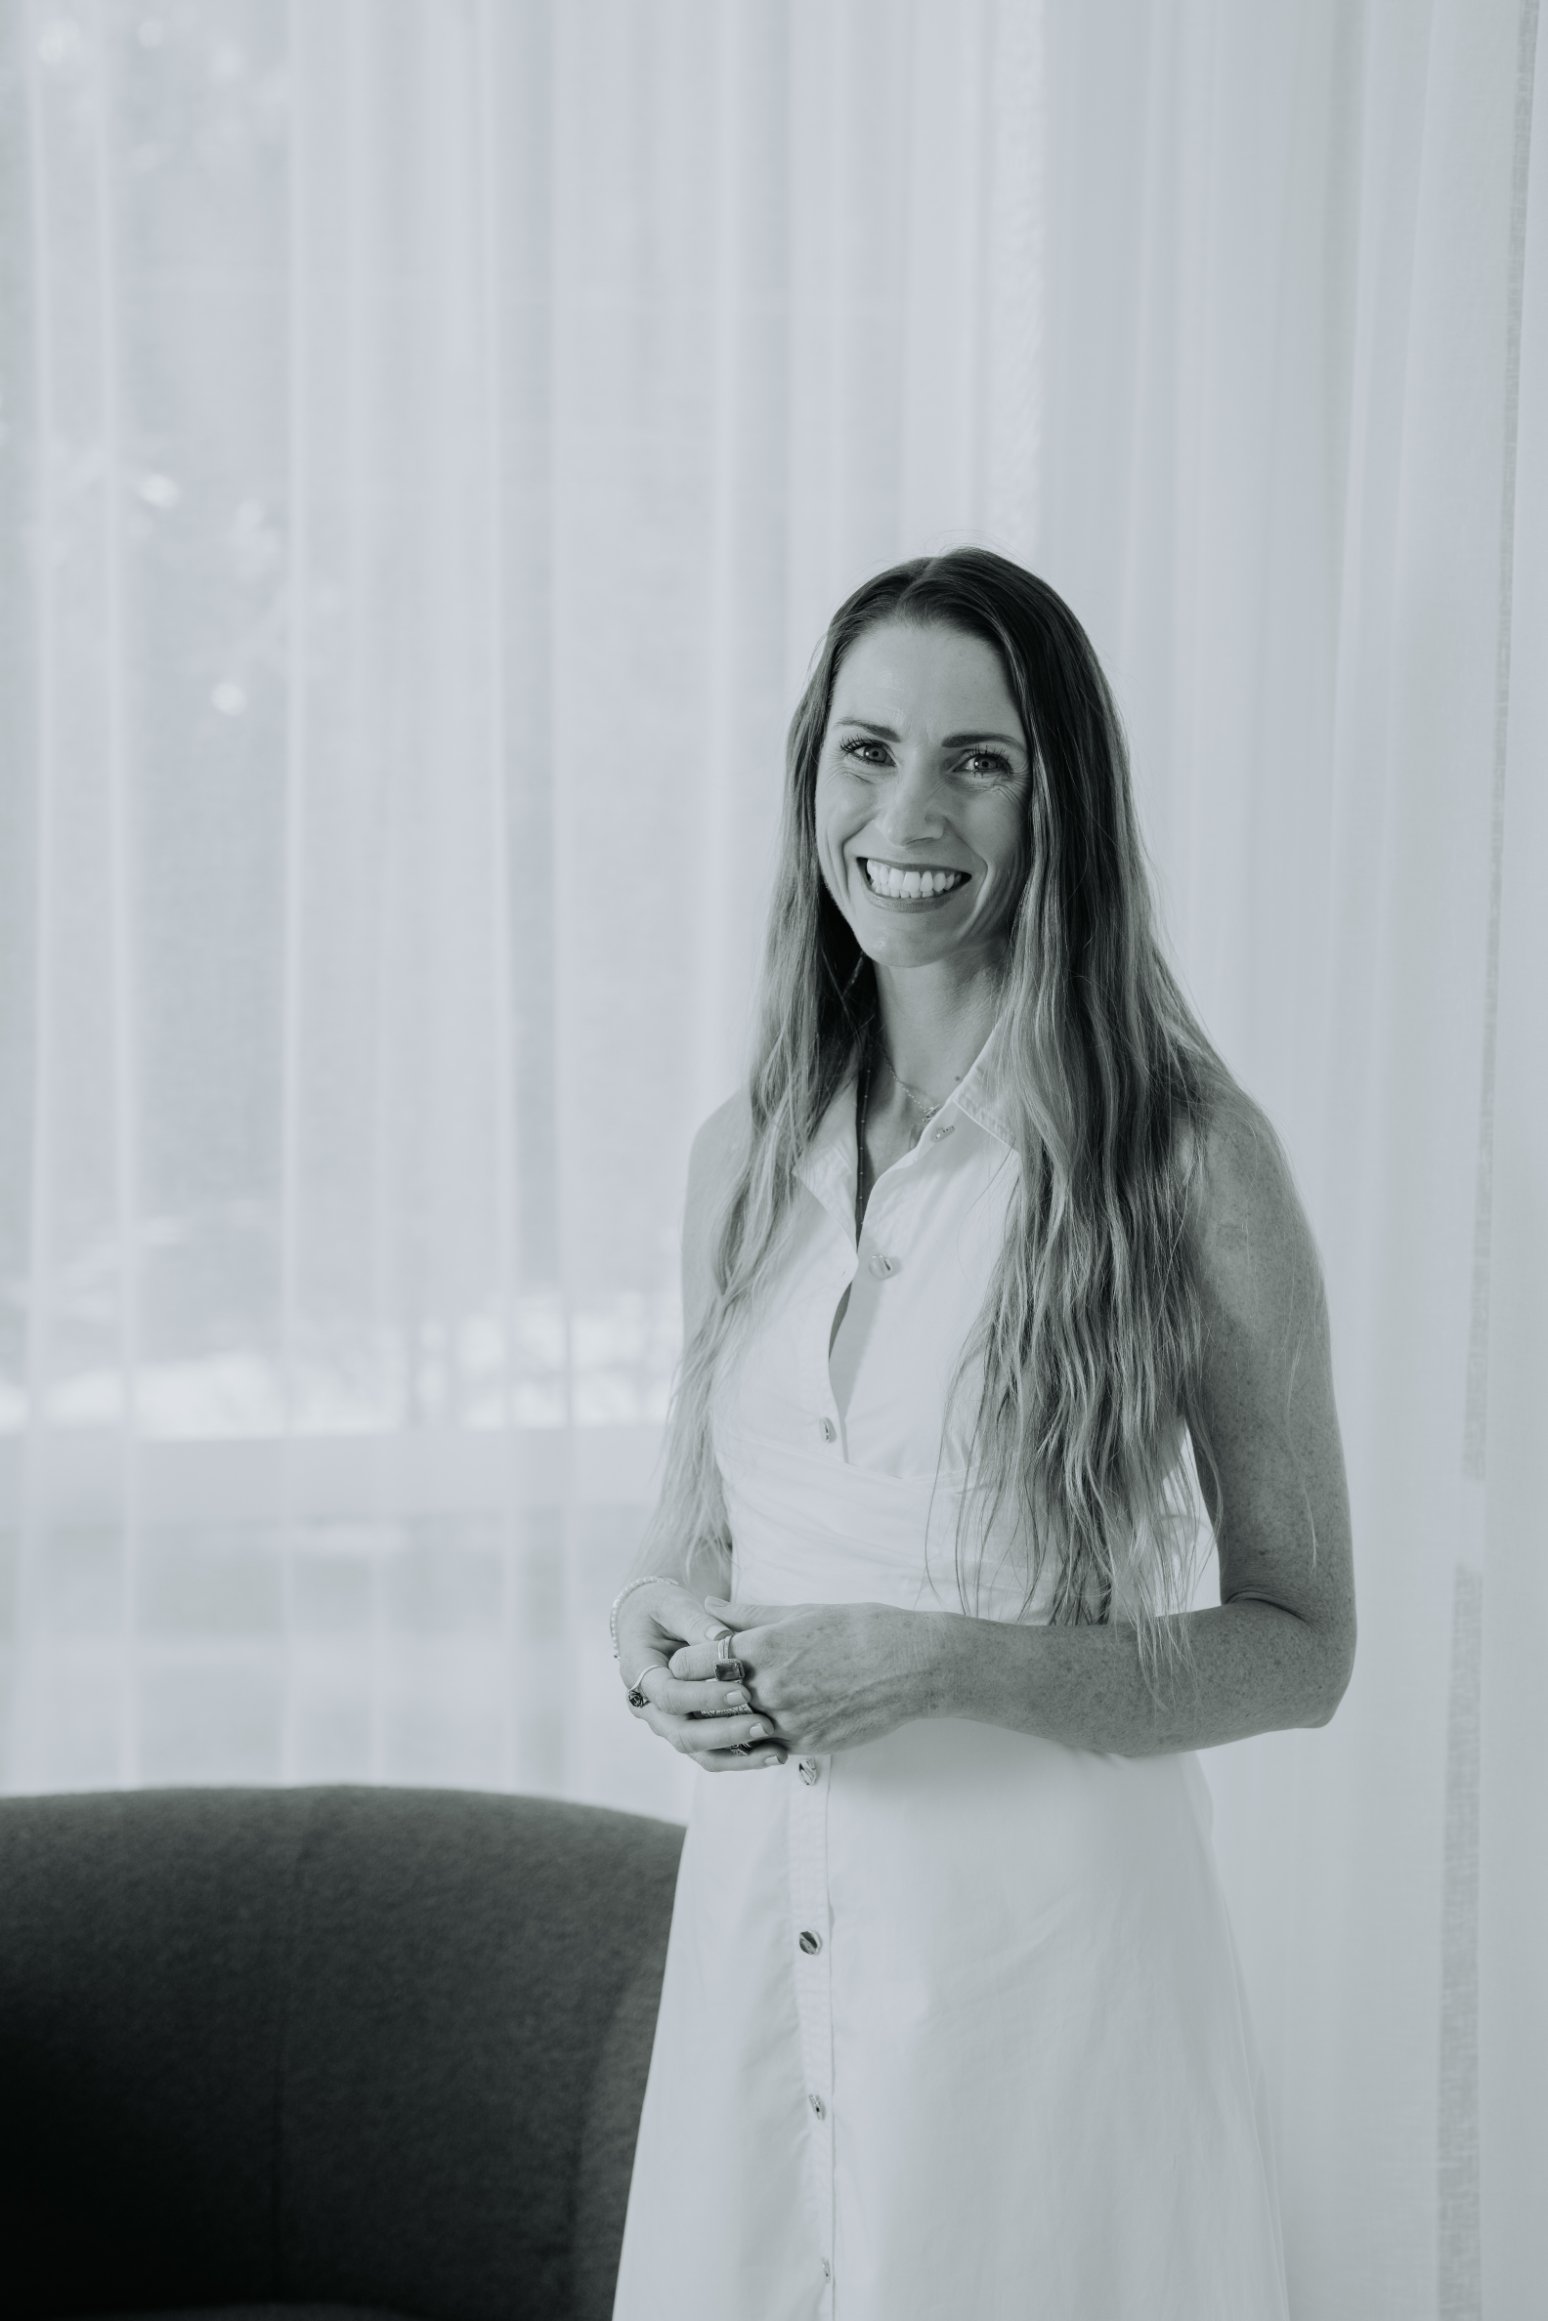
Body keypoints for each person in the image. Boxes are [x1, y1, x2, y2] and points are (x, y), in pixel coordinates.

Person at [608, 548, 1355, 2321]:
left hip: (1047, 1990)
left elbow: (1302, 1650)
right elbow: (690, 1538)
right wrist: (645, 1624)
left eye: (979, 758)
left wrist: (939, 1663)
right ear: (812, 782)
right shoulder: (743, 1149)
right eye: (866, 749)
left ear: (1058, 802)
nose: (907, 809)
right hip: (758, 1957)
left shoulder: (1186, 1161)